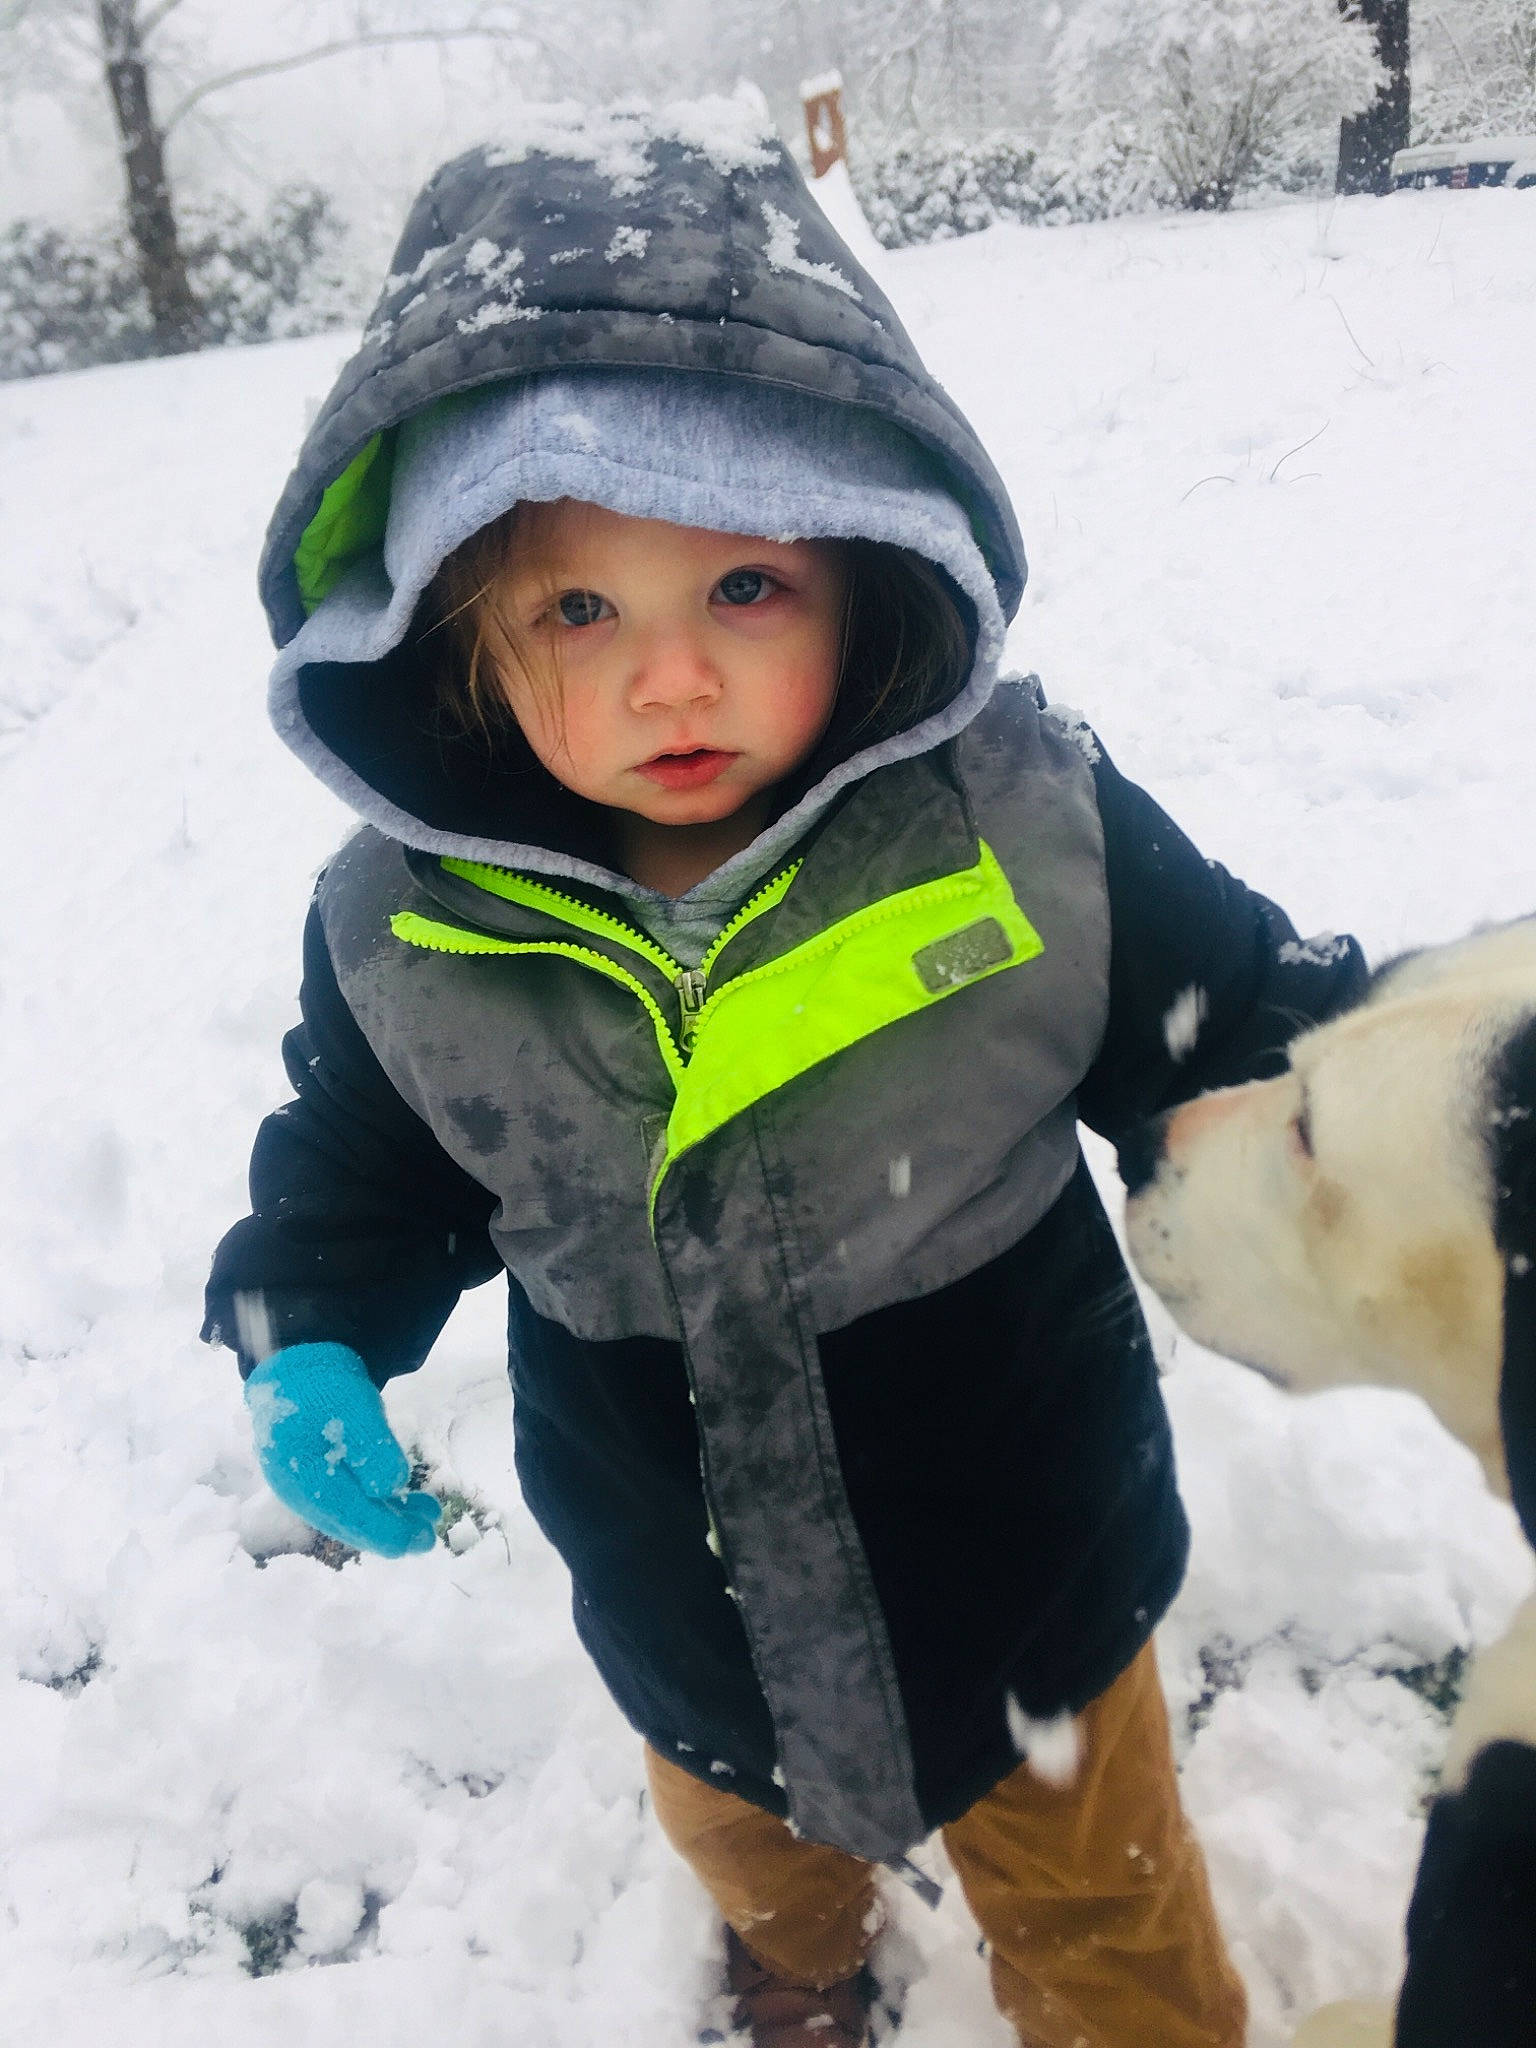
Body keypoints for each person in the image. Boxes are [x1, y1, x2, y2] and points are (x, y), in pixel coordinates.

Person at [206, 103, 1365, 2048]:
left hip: (1033, 1578)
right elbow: (356, 1168)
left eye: (741, 588)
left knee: (1108, 1919)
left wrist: (1390, 1112)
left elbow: (1242, 1015)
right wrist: (307, 1322)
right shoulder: (405, 936)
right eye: (583, 608)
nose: (671, 679)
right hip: (688, 1602)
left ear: (862, 567)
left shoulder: (1025, 826)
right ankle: (796, 1945)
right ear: (466, 643)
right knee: (752, 1837)